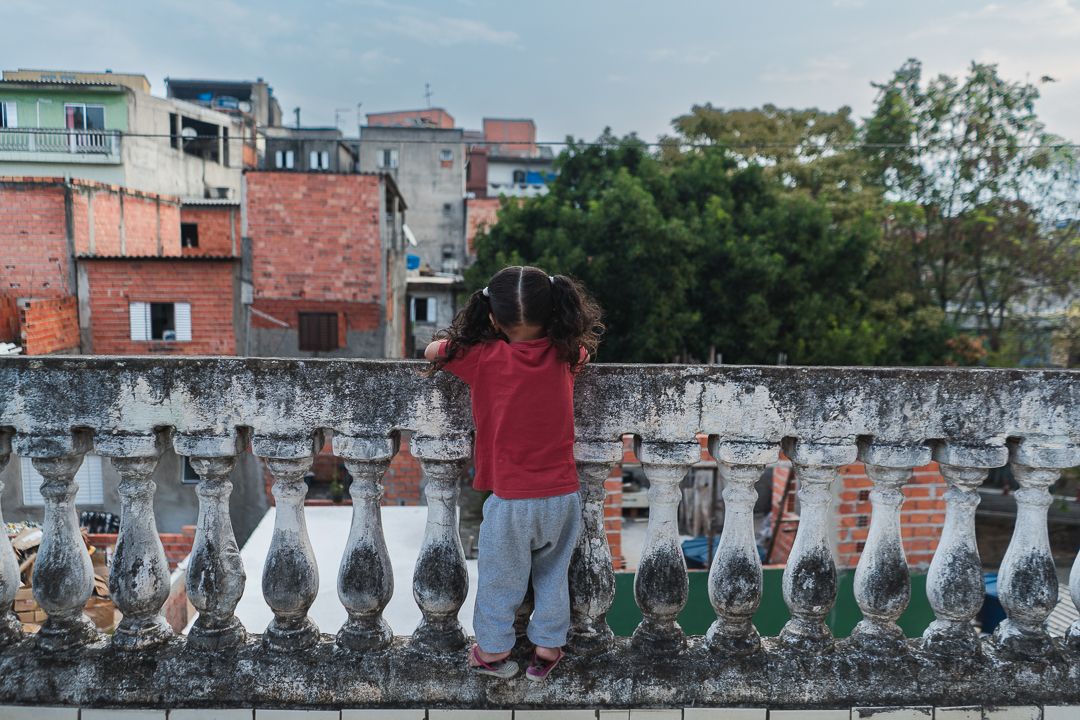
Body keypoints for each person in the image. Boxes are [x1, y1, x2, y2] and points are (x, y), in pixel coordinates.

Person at [424, 265, 603, 681]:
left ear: (493, 317)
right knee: (553, 576)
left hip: (511, 501)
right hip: (563, 496)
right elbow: (584, 353)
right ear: (554, 311)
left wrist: (477, 331)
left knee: (500, 580)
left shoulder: (483, 358)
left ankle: (493, 650)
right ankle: (548, 647)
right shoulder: (564, 356)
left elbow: (433, 351)